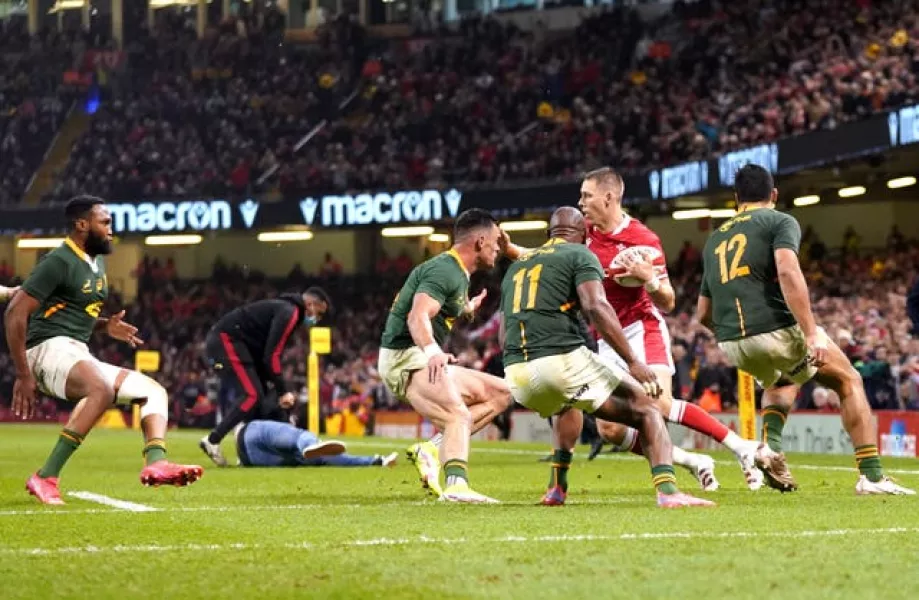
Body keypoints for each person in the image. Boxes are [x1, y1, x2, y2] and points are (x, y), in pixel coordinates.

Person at [696, 164, 914, 495]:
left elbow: (702, 314)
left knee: (783, 380)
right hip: (773, 328)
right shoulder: (779, 221)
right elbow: (787, 271)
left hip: (731, 342)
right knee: (848, 380)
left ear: (735, 199)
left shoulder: (714, 239)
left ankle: (769, 449)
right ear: (774, 195)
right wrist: (811, 332)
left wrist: (738, 337)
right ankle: (870, 476)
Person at [500, 207, 713, 508]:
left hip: (517, 376)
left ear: (549, 234)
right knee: (646, 407)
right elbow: (596, 306)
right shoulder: (581, 254)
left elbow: (503, 330)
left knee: (567, 404)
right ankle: (668, 492)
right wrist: (634, 362)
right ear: (584, 235)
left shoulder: (517, 268)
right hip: (559, 363)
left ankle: (556, 489)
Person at [4, 195, 203, 505]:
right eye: (105, 222)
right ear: (82, 225)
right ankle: (46, 476)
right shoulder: (59, 260)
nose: (112, 229)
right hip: (46, 350)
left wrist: (104, 325)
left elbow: (70, 311)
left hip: (75, 351)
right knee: (100, 389)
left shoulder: (95, 263)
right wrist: (22, 373)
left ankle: (155, 463)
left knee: (153, 390)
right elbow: (15, 312)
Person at [576, 167, 764, 491]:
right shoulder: (583, 234)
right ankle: (695, 461)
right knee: (609, 428)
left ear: (609, 198)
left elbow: (668, 301)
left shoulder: (643, 240)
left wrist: (648, 278)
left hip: (641, 329)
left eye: (586, 195)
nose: (580, 203)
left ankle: (742, 447)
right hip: (608, 339)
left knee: (659, 404)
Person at [378, 208, 514, 503]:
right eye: (494, 241)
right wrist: (433, 351)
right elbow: (417, 317)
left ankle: (432, 448)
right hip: (406, 358)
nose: (498, 248)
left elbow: (439, 308)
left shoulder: (458, 274)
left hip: (418, 355)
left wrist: (466, 310)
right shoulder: (445, 270)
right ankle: (456, 487)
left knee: (502, 394)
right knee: (457, 415)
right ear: (479, 241)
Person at [199, 287, 331, 466]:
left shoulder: (285, 308)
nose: (317, 319)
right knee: (252, 395)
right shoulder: (290, 312)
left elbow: (265, 354)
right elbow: (272, 355)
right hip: (226, 341)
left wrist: (274, 386)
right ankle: (213, 440)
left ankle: (247, 452)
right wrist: (282, 391)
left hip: (236, 345)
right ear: (310, 304)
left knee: (259, 396)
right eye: (319, 313)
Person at [235, 420, 398, 468]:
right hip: (252, 431)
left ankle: (377, 461)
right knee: (301, 436)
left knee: (323, 458)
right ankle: (310, 445)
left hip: (248, 458)